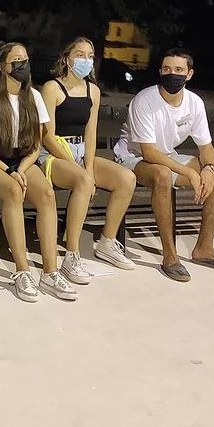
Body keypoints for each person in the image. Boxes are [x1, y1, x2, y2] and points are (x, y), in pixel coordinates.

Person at [113, 47, 214, 282]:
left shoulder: (194, 102)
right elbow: (149, 152)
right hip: (132, 157)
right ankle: (170, 256)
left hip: (167, 155)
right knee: (162, 174)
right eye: (167, 69)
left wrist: (209, 169)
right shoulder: (145, 100)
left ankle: (204, 249)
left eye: (179, 70)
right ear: (160, 71)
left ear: (189, 74)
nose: (172, 74)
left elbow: (206, 147)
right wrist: (189, 172)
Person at [0, 42, 77, 302]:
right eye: (16, 60)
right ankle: (22, 271)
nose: (23, 64)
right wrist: (8, 170)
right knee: (14, 191)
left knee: (47, 194)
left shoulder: (34, 96)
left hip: (24, 160)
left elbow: (37, 145)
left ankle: (50, 272)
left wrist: (21, 168)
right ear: (2, 66)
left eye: (25, 59)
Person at [39, 37, 137, 278]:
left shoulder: (93, 90)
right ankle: (71, 255)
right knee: (83, 180)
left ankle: (107, 242)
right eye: (80, 55)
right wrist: (80, 170)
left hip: (81, 151)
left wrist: (89, 168)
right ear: (67, 58)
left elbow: (91, 133)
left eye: (90, 56)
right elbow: (47, 136)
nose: (86, 60)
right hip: (54, 154)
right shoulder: (52, 88)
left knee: (126, 178)